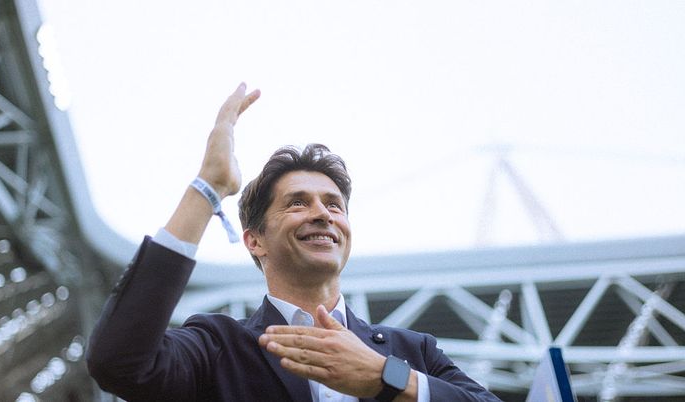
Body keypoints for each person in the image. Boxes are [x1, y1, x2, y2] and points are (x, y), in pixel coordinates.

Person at [86, 83, 501, 402]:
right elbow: (118, 362)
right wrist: (209, 188)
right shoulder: (218, 348)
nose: (323, 214)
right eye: (298, 203)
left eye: (334, 205)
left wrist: (386, 377)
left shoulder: (413, 351)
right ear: (255, 241)